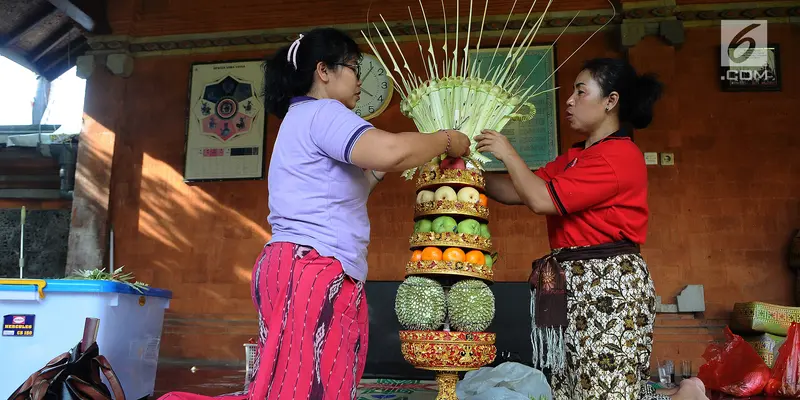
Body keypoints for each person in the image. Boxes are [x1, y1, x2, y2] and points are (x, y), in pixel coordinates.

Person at [247, 27, 470, 400]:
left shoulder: (298, 118)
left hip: (287, 264)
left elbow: (353, 185)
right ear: (324, 71)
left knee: (292, 384)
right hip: (313, 267)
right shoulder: (324, 112)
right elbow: (390, 151)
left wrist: (386, 166)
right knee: (315, 389)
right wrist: (447, 140)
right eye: (353, 68)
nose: (360, 83)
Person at [475, 58, 707, 400]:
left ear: (610, 101)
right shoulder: (576, 157)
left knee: (605, 389)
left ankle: (686, 395)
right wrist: (465, 170)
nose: (569, 100)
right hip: (574, 284)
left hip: (607, 286)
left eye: (580, 92)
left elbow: (541, 200)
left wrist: (507, 152)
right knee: (574, 388)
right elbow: (518, 190)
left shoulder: (618, 156)